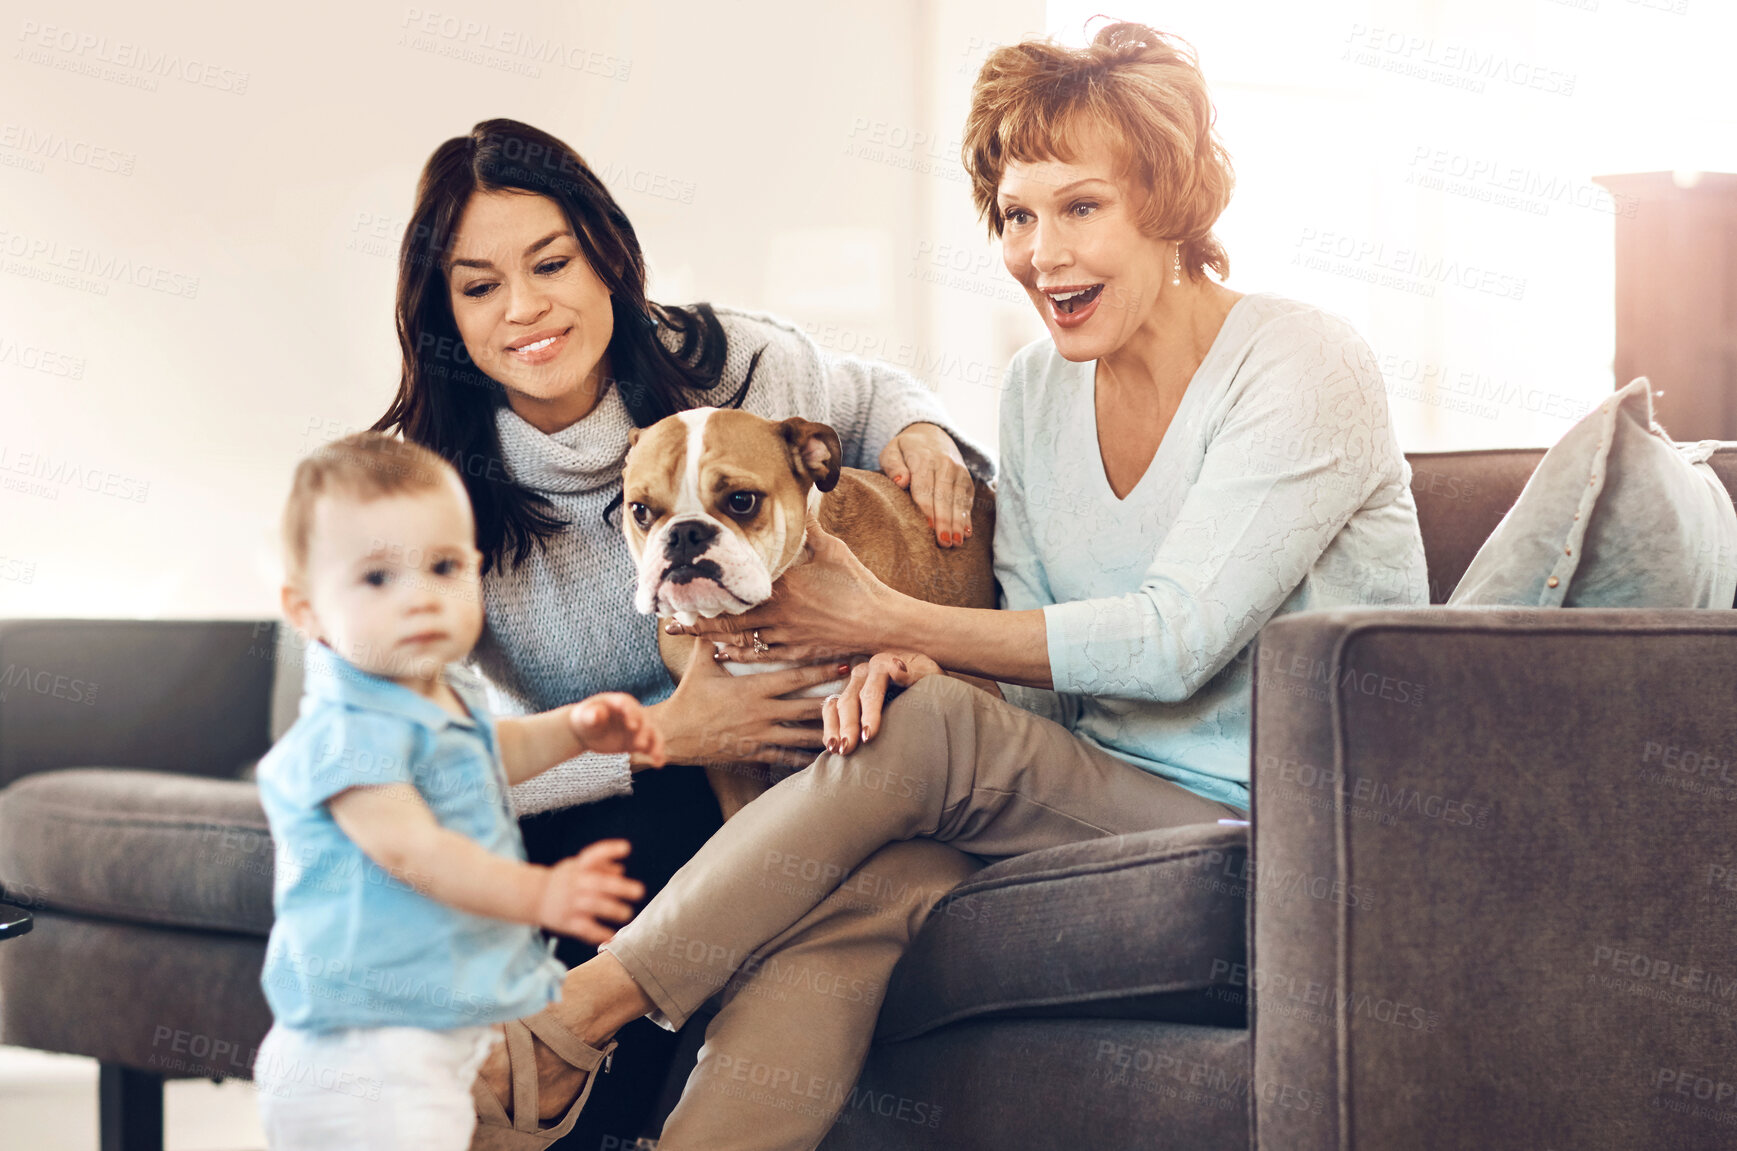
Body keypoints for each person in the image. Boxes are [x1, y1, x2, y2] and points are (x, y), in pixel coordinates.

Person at [468, 22, 1431, 1151]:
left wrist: (890, 624)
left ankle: (581, 1011)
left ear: (1171, 201)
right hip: (1083, 785)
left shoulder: (1302, 362)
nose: (1040, 252)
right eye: (1018, 215)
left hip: (1278, 813)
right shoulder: (1036, 389)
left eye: (1082, 207)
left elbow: (1179, 639)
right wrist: (917, 664)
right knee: (859, 887)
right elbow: (1026, 665)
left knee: (923, 729)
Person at [370, 118, 994, 1147]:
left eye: (552, 262)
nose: (524, 307)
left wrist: (922, 430)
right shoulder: (421, 483)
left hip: (775, 780)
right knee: (607, 842)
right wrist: (666, 735)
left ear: (608, 258)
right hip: (614, 777)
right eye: (479, 286)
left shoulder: (734, 364)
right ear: (444, 313)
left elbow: (872, 395)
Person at [252, 432, 666, 1150]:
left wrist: (574, 728)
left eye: (443, 567)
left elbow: (484, 756)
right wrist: (537, 894)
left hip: (430, 1033)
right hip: (359, 1051)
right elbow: (416, 850)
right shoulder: (347, 730)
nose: (420, 597)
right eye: (378, 578)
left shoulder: (447, 693)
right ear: (307, 610)